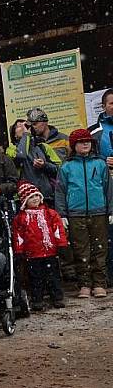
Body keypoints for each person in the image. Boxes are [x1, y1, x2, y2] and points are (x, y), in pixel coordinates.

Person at [55, 129, 113, 298]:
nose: (85, 144)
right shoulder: (66, 166)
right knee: (81, 250)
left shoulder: (100, 163)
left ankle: (100, 283)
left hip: (99, 212)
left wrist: (110, 210)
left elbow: (108, 189)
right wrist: (62, 214)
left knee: (100, 249)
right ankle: (84, 284)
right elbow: (60, 191)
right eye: (81, 142)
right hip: (76, 214)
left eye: (88, 141)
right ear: (74, 145)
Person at [12, 182, 67, 310]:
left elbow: (57, 229)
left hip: (50, 251)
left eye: (37, 195)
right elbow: (18, 236)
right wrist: (19, 251)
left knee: (53, 276)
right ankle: (37, 299)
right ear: (24, 201)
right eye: (31, 197)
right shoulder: (21, 218)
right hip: (32, 253)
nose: (35, 199)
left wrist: (61, 244)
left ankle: (57, 297)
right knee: (36, 278)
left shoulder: (49, 213)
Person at [88, 89, 113, 283]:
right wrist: (104, 161)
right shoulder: (94, 131)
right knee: (109, 230)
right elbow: (88, 158)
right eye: (111, 103)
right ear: (103, 106)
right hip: (105, 185)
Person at [7, 119, 60, 205]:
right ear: (14, 135)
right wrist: (26, 135)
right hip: (25, 199)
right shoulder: (10, 149)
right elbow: (21, 156)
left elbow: (59, 170)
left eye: (25, 125)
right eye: (19, 126)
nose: (23, 127)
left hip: (47, 197)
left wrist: (44, 165)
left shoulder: (43, 147)